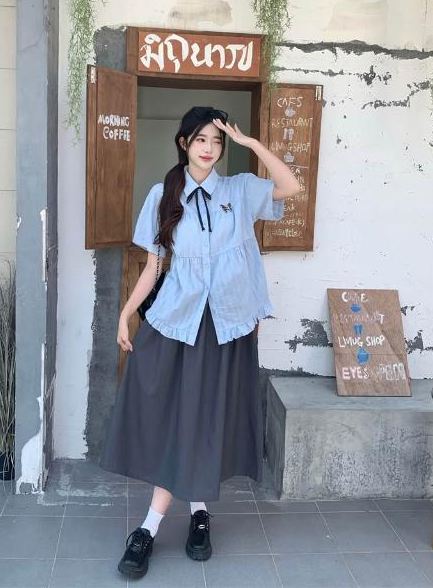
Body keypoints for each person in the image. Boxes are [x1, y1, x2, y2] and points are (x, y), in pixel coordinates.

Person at [98, 106, 300, 579]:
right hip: (177, 322)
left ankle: (193, 515)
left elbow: (290, 186)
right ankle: (162, 522)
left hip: (227, 326)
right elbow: (154, 267)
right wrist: (125, 313)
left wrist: (251, 144)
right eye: (201, 139)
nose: (209, 148)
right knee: (175, 416)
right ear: (184, 143)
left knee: (208, 419)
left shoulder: (239, 190)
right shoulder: (163, 195)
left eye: (217, 140)